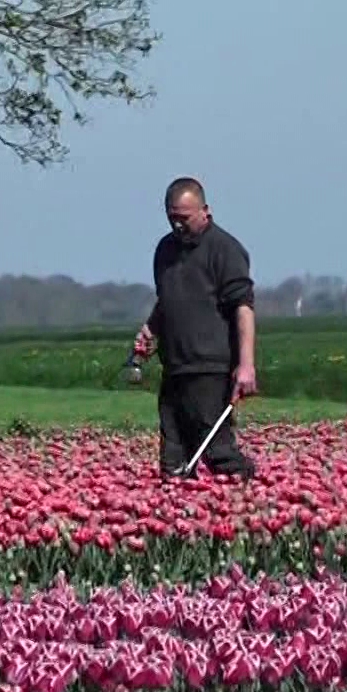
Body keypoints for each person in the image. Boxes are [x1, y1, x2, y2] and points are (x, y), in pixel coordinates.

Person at [133, 176, 258, 481]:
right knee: (173, 463)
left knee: (218, 454)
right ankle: (181, 522)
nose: (177, 226)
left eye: (184, 219)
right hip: (174, 368)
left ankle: (245, 504)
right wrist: (150, 329)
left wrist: (246, 365)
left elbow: (243, 307)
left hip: (210, 370)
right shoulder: (165, 250)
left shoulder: (224, 249)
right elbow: (168, 300)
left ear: (205, 211)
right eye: (171, 218)